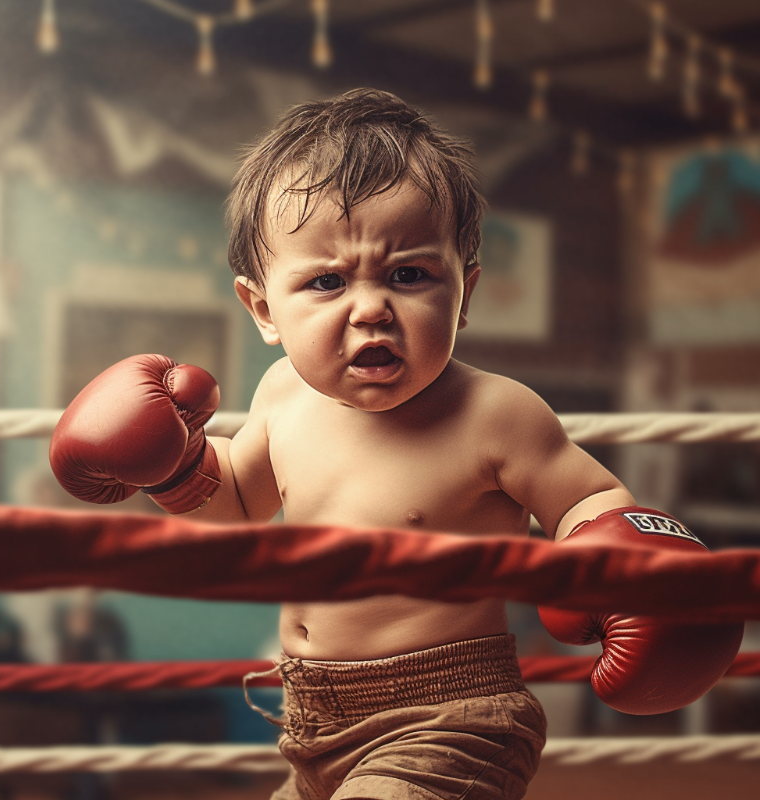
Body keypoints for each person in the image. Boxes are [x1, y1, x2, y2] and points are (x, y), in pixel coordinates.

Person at [50, 88, 743, 800]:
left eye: (409, 274)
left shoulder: (496, 413)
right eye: (325, 281)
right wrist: (173, 467)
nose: (372, 306)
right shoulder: (283, 394)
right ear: (264, 310)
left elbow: (591, 499)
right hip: (311, 722)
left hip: (449, 721)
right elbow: (235, 507)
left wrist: (641, 576)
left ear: (463, 292)